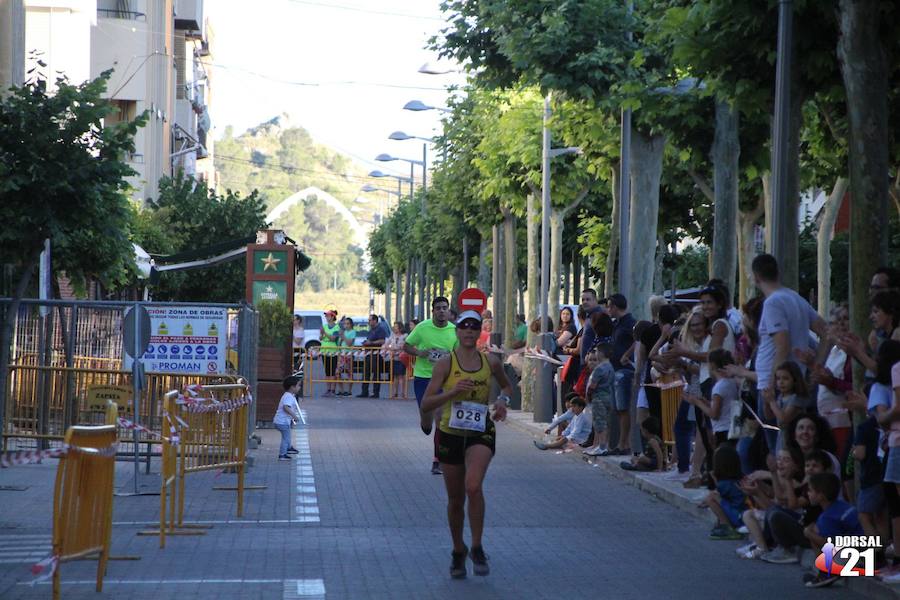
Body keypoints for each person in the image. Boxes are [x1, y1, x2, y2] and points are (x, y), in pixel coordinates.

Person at [420, 309, 512, 579]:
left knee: (473, 486)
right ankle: (458, 550)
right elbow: (426, 403)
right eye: (464, 327)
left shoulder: (491, 362)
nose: (470, 332)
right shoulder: (445, 364)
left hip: (479, 431)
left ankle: (477, 546)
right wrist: (453, 392)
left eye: (474, 327)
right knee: (455, 498)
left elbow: (507, 387)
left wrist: (502, 402)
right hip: (450, 432)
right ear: (457, 331)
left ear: (478, 331)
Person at [751, 253, 828, 403]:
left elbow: (782, 346)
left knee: (773, 426)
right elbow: (827, 333)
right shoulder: (796, 297)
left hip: (776, 385)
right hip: (795, 378)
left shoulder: (772, 303)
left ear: (756, 277)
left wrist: (773, 383)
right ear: (778, 273)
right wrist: (817, 365)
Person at [404, 296, 458, 475]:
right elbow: (407, 346)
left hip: (445, 379)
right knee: (427, 423)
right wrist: (420, 352)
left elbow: (459, 354)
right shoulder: (422, 328)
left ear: (449, 311)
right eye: (438, 308)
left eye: (445, 308)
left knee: (441, 419)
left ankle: (437, 460)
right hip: (423, 378)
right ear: (433, 311)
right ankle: (424, 422)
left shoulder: (454, 330)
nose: (442, 311)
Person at [801, 472, 865, 588]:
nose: (807, 493)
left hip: (857, 554)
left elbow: (828, 543)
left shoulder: (826, 517)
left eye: (810, 490)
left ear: (821, 496)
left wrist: (808, 533)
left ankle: (826, 572)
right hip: (866, 548)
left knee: (812, 533)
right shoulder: (842, 505)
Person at [684, 348, 740, 447]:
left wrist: (697, 402)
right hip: (732, 428)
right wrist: (708, 403)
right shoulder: (731, 382)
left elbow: (714, 414)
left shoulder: (719, 387)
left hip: (722, 431)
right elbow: (723, 406)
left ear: (713, 365)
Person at [606, 294, 637, 453]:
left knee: (623, 407)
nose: (608, 309)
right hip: (615, 369)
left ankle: (624, 444)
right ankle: (620, 443)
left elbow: (639, 340)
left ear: (616, 307)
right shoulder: (617, 324)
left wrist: (627, 354)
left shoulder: (630, 323)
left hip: (624, 371)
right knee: (618, 408)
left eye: (609, 306)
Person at [700, 445, 747, 540]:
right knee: (714, 497)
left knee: (711, 498)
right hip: (744, 515)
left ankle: (727, 527)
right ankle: (723, 524)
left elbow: (717, 494)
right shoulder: (739, 478)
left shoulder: (725, 484)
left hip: (738, 517)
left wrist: (714, 479)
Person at [764, 361, 813, 451]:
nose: (781, 382)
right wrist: (767, 402)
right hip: (782, 436)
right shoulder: (779, 397)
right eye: (778, 379)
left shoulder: (797, 398)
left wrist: (772, 401)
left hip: (794, 438)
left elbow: (784, 418)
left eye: (785, 378)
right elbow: (769, 416)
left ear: (795, 380)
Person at [584, 344, 615, 456]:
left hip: (598, 397)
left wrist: (588, 395)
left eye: (597, 352)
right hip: (608, 396)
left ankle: (602, 446)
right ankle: (602, 445)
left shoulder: (599, 368)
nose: (596, 354)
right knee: (605, 422)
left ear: (601, 353)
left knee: (600, 423)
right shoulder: (610, 367)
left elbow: (592, 386)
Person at [359, 314, 389, 398]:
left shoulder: (380, 329)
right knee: (365, 373)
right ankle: (364, 392)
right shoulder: (370, 330)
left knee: (376, 374)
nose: (368, 322)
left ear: (375, 320)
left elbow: (383, 340)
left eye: (370, 320)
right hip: (368, 354)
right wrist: (366, 342)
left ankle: (376, 393)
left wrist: (371, 343)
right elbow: (369, 339)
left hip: (376, 354)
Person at [273, 376, 302, 461]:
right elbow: (286, 407)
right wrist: (294, 416)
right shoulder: (289, 396)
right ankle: (282, 454)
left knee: (287, 436)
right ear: (292, 387)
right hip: (282, 422)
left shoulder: (288, 395)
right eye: (298, 385)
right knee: (286, 438)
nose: (299, 388)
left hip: (281, 421)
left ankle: (288, 447)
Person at [320, 310, 341, 396]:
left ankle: (333, 390)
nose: (326, 317)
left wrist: (325, 333)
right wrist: (321, 334)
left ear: (332, 317)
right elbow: (321, 338)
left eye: (328, 316)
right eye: (326, 316)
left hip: (333, 351)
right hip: (324, 351)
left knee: (333, 371)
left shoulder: (337, 328)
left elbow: (333, 338)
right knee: (327, 371)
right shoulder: (324, 326)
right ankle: (328, 389)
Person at [385, 321, 408, 399]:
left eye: (396, 326)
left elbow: (405, 345)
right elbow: (387, 344)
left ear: (400, 327)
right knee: (395, 376)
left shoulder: (405, 336)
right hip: (394, 357)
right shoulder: (392, 335)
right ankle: (395, 393)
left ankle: (403, 393)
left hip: (402, 357)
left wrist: (397, 348)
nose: (395, 328)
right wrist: (389, 348)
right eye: (394, 326)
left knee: (402, 376)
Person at [336, 317, 357, 396]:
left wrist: (343, 336)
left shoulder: (352, 332)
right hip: (342, 354)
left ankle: (349, 391)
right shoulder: (343, 332)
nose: (346, 325)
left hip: (349, 355)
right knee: (338, 372)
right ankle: (341, 390)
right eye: (345, 323)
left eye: (348, 323)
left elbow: (349, 343)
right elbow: (339, 344)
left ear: (351, 325)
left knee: (349, 372)